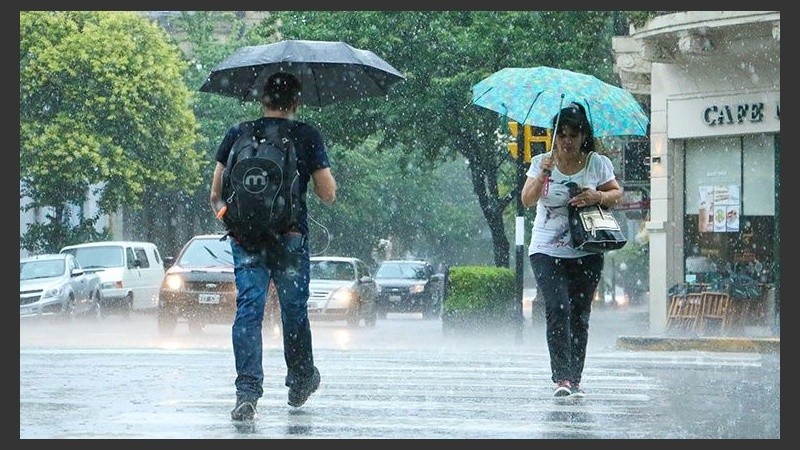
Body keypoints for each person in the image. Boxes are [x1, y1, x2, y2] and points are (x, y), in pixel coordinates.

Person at [209, 72, 337, 420]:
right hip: (290, 238)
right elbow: (328, 195)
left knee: (249, 311)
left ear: (261, 100)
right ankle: (300, 379)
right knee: (293, 311)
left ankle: (247, 391)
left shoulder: (239, 133)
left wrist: (234, 221)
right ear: (296, 102)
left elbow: (215, 193)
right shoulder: (306, 134)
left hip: (246, 239)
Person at [520, 102, 623, 398]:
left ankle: (574, 378)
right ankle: (561, 378)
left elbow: (616, 194)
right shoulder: (542, 160)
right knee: (557, 308)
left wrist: (597, 195)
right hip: (545, 250)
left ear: (583, 136)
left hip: (586, 250)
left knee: (579, 314)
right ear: (554, 136)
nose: (567, 141)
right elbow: (527, 200)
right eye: (561, 134)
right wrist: (542, 174)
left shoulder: (596, 162)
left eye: (573, 134)